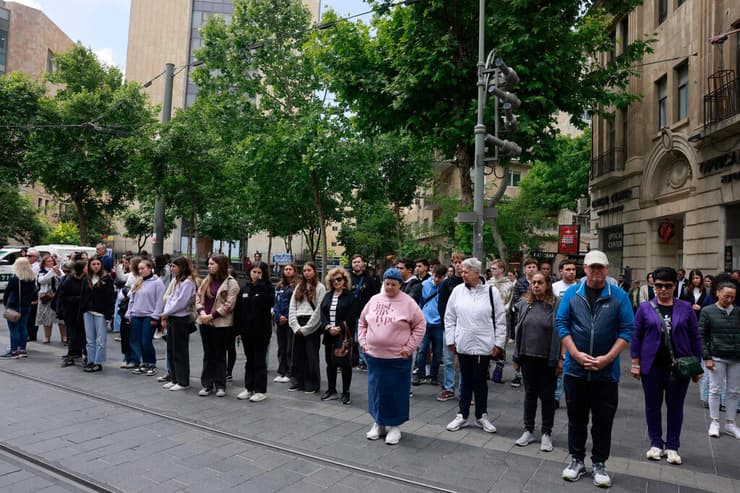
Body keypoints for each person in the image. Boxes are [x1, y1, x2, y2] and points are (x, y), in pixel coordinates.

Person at [557, 250, 634, 487]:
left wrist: (608, 358)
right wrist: (575, 353)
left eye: (600, 267)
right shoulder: (572, 294)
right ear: (585, 269)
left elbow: (627, 329)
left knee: (603, 420)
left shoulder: (619, 296)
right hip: (575, 370)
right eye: (592, 267)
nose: (596, 271)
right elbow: (562, 323)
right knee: (576, 418)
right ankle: (576, 460)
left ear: (607, 269)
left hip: (606, 373)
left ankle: (600, 462)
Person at [631, 267, 703, 465]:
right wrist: (635, 363)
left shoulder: (686, 308)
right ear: (653, 285)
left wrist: (698, 366)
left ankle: (672, 446)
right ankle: (655, 443)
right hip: (652, 366)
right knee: (652, 406)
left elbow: (695, 337)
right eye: (658, 285)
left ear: (675, 287)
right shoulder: (645, 308)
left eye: (667, 286)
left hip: (679, 367)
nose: (662, 290)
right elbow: (636, 336)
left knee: (675, 407)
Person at [360, 267, 426, 445]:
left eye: (393, 284)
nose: (389, 287)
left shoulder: (408, 302)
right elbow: (362, 322)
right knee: (376, 390)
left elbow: (420, 325)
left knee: (396, 391)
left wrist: (410, 347)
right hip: (374, 356)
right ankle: (379, 423)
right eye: (387, 283)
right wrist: (363, 342)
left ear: (400, 285)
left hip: (398, 357)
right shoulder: (374, 300)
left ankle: (395, 425)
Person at [445, 257, 507, 434]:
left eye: (466, 272)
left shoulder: (490, 292)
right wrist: (451, 339)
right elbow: (449, 317)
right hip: (463, 344)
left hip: (483, 345)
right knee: (464, 381)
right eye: (461, 272)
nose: (462, 274)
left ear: (476, 272)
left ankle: (481, 415)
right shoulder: (457, 291)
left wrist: (499, 344)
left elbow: (500, 319)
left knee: (480, 382)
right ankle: (462, 415)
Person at [512, 271, 562, 451]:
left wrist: (560, 359)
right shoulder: (526, 304)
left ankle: (546, 433)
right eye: (533, 283)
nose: (536, 286)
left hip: (547, 359)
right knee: (530, 395)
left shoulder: (556, 304)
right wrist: (516, 356)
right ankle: (528, 429)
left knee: (547, 397)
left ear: (547, 284)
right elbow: (519, 330)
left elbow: (561, 332)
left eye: (540, 282)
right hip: (527, 357)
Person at [700, 281, 740, 439]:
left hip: (736, 357)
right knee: (715, 389)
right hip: (716, 356)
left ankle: (730, 423)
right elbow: (701, 335)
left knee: (734, 391)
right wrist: (707, 357)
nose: (729, 300)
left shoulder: (737, 311)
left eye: (732, 297)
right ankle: (714, 421)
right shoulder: (708, 311)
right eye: (726, 296)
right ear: (717, 293)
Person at [195, 254, 239, 397]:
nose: (209, 266)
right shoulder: (206, 281)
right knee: (208, 354)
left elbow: (229, 305)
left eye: (212, 264)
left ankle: (220, 385)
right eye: (208, 264)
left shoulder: (231, 283)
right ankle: (207, 384)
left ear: (220, 265)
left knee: (220, 353)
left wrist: (212, 316)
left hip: (221, 324)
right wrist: (202, 313)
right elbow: (198, 297)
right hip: (205, 322)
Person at [234, 262, 275, 402]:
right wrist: (238, 330)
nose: (256, 275)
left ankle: (260, 390)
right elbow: (239, 310)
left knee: (259, 360)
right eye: (254, 272)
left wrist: (261, 286)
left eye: (259, 272)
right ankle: (248, 387)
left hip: (261, 331)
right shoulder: (244, 288)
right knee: (249, 360)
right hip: (246, 331)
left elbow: (268, 303)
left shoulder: (268, 288)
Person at [160, 257, 198, 392]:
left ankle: (183, 381)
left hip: (181, 319)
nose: (172, 268)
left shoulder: (188, 282)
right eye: (172, 266)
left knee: (180, 351)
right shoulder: (177, 281)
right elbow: (170, 298)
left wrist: (166, 313)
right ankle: (174, 378)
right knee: (171, 349)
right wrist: (166, 312)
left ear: (182, 267)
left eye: (175, 266)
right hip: (173, 317)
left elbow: (181, 302)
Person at [319, 267, 355, 405]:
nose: (336, 282)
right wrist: (328, 327)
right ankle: (331, 390)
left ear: (345, 280)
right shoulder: (327, 296)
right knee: (330, 363)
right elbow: (322, 314)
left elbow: (351, 316)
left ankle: (346, 392)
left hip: (343, 336)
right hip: (329, 335)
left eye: (339, 279)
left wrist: (339, 328)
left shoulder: (350, 296)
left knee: (345, 364)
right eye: (333, 280)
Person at [288, 262, 326, 394]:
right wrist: (295, 325)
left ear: (314, 271)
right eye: (304, 270)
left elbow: (320, 310)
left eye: (309, 270)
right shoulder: (299, 286)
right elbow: (292, 306)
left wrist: (307, 328)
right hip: (298, 322)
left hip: (312, 324)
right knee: (297, 355)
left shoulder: (320, 288)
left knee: (311, 355)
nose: (306, 273)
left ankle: (312, 383)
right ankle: (298, 381)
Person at [125, 258, 164, 376]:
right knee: (138, 341)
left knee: (146, 341)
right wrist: (129, 313)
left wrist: (155, 316)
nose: (140, 271)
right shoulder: (138, 281)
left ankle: (151, 363)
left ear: (150, 268)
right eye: (139, 269)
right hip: (136, 314)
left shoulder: (157, 282)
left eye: (143, 268)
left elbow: (159, 301)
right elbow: (132, 299)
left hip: (149, 315)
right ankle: (144, 363)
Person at [436, 252, 465, 402]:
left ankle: (465, 390)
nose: (458, 265)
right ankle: (449, 387)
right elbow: (441, 304)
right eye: (455, 262)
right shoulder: (447, 283)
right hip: (449, 325)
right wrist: (446, 321)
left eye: (461, 262)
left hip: (466, 327)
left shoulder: (472, 282)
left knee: (465, 359)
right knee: (448, 359)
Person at [413, 265, 447, 386]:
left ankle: (434, 375)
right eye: (435, 276)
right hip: (425, 322)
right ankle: (420, 374)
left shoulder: (445, 286)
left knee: (437, 352)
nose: (437, 279)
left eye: (440, 277)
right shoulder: (424, 285)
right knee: (422, 349)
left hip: (438, 323)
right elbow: (420, 301)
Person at [81, 257, 116, 372]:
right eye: (93, 264)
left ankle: (98, 362)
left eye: (98, 264)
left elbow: (110, 298)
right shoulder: (86, 278)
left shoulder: (107, 279)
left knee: (100, 340)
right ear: (89, 266)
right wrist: (83, 308)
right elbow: (83, 296)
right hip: (88, 311)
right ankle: (90, 360)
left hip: (100, 313)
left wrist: (109, 315)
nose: (96, 266)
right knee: (89, 339)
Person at [510, 258, 539, 388]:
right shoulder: (520, 283)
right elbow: (516, 300)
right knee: (520, 344)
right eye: (529, 267)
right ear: (525, 269)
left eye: (533, 267)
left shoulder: (542, 281)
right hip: (522, 317)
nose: (531, 269)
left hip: (538, 319)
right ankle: (518, 374)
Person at [349, 254, 380, 371]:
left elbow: (375, 296)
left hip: (364, 314)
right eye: (354, 262)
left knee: (363, 337)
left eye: (358, 262)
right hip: (350, 313)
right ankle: (350, 359)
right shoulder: (347, 277)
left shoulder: (369, 278)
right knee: (350, 337)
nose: (356, 264)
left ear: (363, 264)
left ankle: (363, 360)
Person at [1, 258, 36, 358]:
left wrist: (5, 303)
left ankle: (14, 351)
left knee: (14, 329)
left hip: (14, 306)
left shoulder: (14, 279)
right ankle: (22, 349)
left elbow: (7, 293)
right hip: (27, 306)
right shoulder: (32, 278)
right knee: (23, 327)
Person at [487, 259, 513, 384]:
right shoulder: (488, 283)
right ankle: (486, 368)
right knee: (488, 341)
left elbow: (507, 302)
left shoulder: (508, 284)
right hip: (488, 317)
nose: (492, 270)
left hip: (502, 316)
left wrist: (500, 312)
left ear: (501, 269)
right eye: (491, 268)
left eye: (494, 268)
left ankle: (499, 369)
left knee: (501, 342)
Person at [59, 260, 88, 367]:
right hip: (71, 311)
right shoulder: (69, 280)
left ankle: (85, 354)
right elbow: (63, 297)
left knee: (84, 334)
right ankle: (72, 354)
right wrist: (79, 299)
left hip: (83, 311)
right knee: (73, 334)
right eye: (86, 266)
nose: (88, 268)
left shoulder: (87, 279)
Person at [273, 264, 298, 383]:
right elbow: (275, 303)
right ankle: (281, 371)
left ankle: (289, 372)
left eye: (290, 269)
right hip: (280, 321)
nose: (287, 271)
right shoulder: (279, 286)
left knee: (290, 347)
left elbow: (295, 305)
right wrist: (278, 316)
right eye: (286, 269)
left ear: (294, 271)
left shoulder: (296, 286)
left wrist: (287, 317)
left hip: (290, 321)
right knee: (281, 347)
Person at [35, 255, 64, 344]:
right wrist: (51, 271)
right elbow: (42, 281)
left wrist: (58, 272)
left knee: (60, 318)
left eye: (52, 261)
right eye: (48, 261)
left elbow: (63, 279)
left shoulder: (58, 270)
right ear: (44, 263)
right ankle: (47, 336)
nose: (51, 263)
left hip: (57, 295)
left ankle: (64, 336)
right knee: (46, 317)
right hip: (45, 296)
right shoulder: (41, 271)